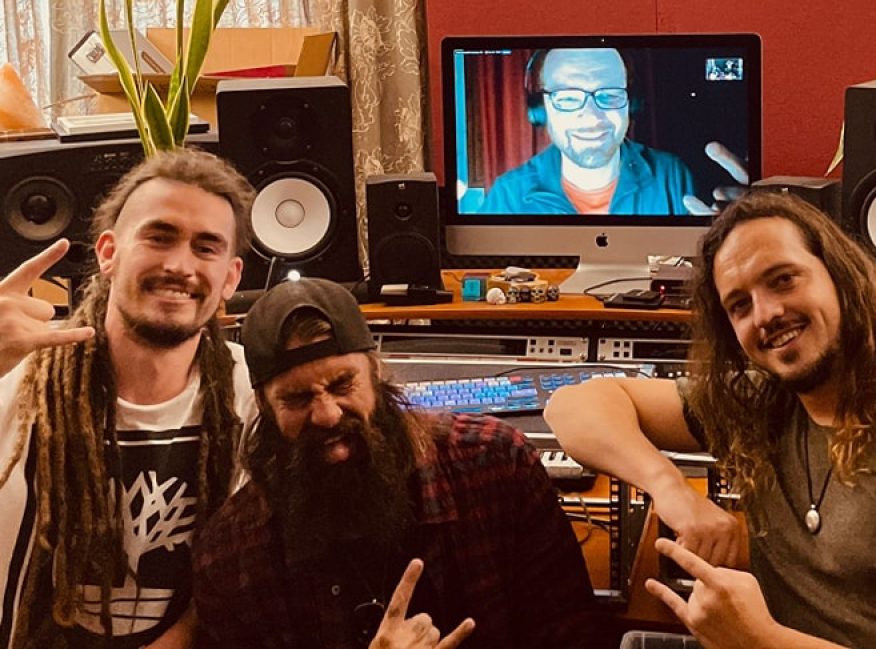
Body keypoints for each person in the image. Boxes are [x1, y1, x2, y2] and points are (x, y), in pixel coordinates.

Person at [545, 191, 876, 648]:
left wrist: (760, 639)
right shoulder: (762, 402)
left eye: (783, 279)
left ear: (839, 275)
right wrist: (670, 489)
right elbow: (572, 406)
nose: (766, 314)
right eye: (740, 305)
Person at [191, 278, 600, 648]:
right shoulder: (230, 560)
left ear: (376, 373)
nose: (328, 415)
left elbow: (573, 637)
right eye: (297, 399)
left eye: (342, 384)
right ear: (264, 407)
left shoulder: (498, 466)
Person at [0, 149, 257, 648]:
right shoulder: (19, 380)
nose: (179, 265)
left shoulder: (253, 397)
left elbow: (244, 574)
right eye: (159, 237)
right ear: (108, 253)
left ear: (231, 277)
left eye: (206, 247)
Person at [478, 47, 747, 216]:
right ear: (540, 110)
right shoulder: (507, 195)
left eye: (609, 95)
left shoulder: (672, 174)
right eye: (567, 98)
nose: (592, 116)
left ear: (632, 104)